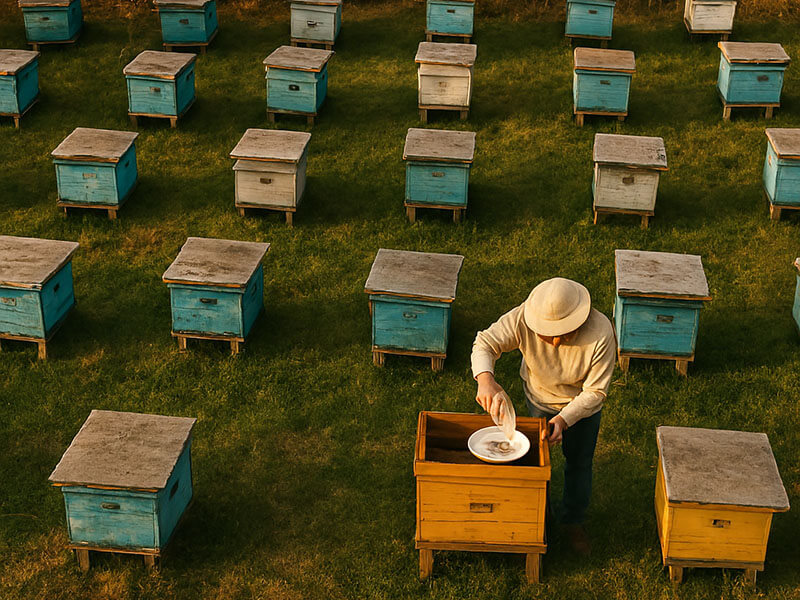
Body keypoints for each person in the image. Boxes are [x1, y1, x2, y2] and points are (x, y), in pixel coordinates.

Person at [470, 277, 616, 555]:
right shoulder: (522, 318)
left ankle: (573, 521)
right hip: (538, 397)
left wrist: (563, 420)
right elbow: (485, 342)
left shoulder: (601, 332)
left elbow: (596, 391)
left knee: (580, 463)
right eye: (550, 334)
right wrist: (485, 380)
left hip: (582, 408)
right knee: (536, 462)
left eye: (566, 332)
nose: (558, 341)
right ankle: (537, 516)